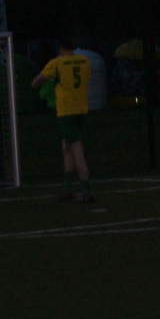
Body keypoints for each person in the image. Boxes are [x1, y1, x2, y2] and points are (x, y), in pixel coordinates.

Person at [31, 39, 94, 203]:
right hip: (81, 109)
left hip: (66, 111)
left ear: (60, 48)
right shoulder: (85, 61)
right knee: (66, 146)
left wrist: (40, 85)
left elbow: (36, 82)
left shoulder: (57, 63)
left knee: (76, 149)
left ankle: (86, 190)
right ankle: (67, 188)